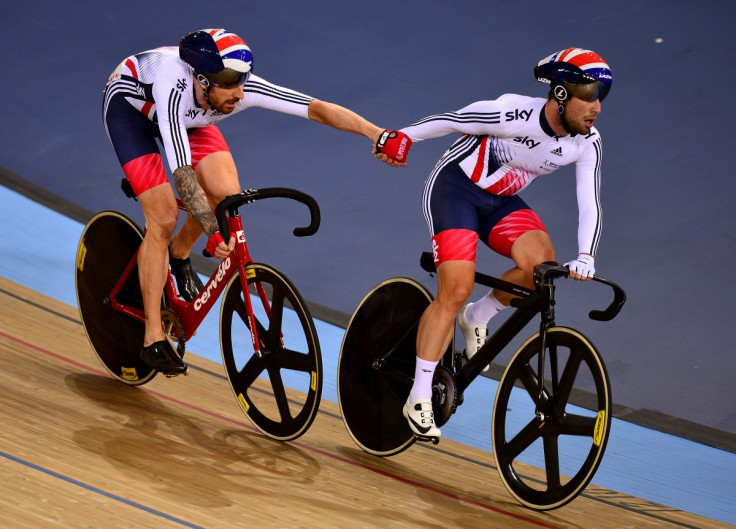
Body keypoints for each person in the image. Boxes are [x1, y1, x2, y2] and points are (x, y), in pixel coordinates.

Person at [103, 28, 411, 376]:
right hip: (131, 114)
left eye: (242, 81)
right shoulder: (171, 87)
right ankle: (152, 339)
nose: (239, 92)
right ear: (201, 81)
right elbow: (184, 174)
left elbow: (316, 109)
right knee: (162, 218)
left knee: (226, 194)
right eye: (230, 84)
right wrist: (211, 229)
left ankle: (179, 253)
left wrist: (377, 134)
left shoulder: (240, 90)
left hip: (193, 119)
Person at [395, 48, 612, 438]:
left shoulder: (587, 141)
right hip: (455, 190)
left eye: (602, 97)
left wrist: (586, 255)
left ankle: (478, 316)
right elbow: (451, 120)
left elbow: (590, 201)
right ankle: (419, 394)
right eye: (589, 96)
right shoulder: (513, 114)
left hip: (501, 201)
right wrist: (400, 138)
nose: (596, 107)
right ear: (560, 94)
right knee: (456, 288)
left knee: (542, 265)